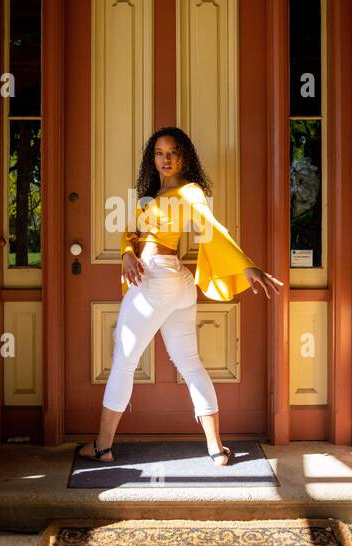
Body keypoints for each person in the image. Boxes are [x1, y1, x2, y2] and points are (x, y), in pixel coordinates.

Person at [77, 127, 283, 467]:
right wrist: (127, 253)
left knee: (124, 363)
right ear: (152, 158)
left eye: (173, 152)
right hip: (173, 281)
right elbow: (131, 232)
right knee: (190, 362)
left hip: (156, 279)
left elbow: (212, 227)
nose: (166, 158)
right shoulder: (151, 196)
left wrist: (246, 266)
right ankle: (216, 450)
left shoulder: (190, 192)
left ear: (184, 156)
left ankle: (102, 446)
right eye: (159, 152)